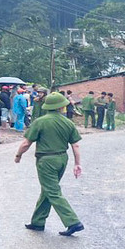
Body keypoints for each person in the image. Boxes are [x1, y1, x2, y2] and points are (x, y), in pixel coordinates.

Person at [14, 91, 84, 236]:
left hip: (46, 161)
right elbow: (75, 145)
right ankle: (38, 222)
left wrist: (18, 155)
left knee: (52, 191)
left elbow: (27, 142)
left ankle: (73, 222)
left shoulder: (40, 121)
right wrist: (77, 163)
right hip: (62, 159)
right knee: (48, 189)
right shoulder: (68, 122)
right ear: (61, 107)